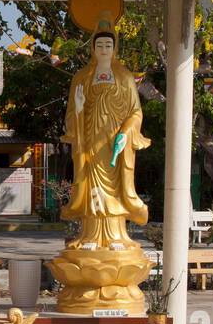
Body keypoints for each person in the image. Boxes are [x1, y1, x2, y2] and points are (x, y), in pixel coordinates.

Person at [62, 26, 150, 248]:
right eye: (99, 45)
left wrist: (126, 132)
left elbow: (136, 111)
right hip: (90, 139)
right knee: (93, 183)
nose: (103, 49)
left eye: (108, 45)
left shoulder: (125, 77)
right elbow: (72, 113)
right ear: (93, 48)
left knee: (114, 185)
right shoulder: (82, 77)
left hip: (115, 142)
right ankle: (91, 234)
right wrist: (80, 109)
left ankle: (115, 235)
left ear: (114, 48)